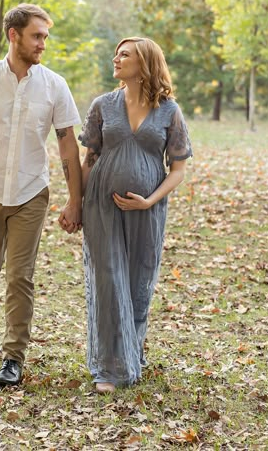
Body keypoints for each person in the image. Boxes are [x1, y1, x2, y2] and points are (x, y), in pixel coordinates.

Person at [0, 3, 82, 388]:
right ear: (14, 35)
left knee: (20, 277)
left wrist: (74, 199)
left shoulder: (54, 85)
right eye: (36, 36)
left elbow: (67, 145)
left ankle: (13, 356)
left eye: (45, 36)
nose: (43, 43)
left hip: (32, 192)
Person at [79, 36, 192, 394]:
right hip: (101, 205)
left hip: (148, 210)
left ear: (144, 64)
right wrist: (76, 204)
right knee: (109, 280)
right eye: (116, 53)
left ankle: (132, 350)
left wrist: (149, 200)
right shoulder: (102, 106)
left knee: (138, 283)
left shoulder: (169, 111)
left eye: (124, 54)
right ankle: (109, 369)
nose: (116, 58)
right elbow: (90, 159)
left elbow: (177, 169)